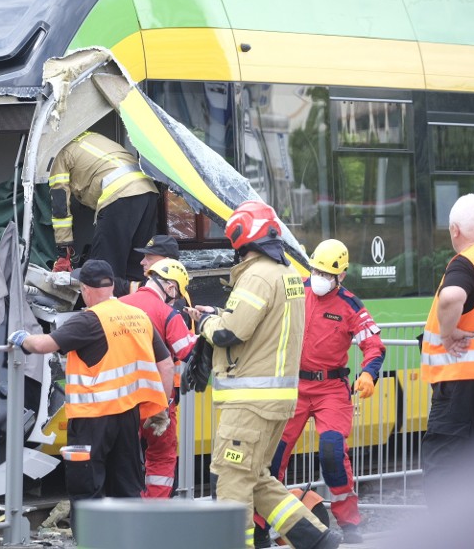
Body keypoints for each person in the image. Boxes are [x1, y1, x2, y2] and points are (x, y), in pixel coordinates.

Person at [183, 200, 341, 549]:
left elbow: (229, 333)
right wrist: (221, 315)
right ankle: (317, 539)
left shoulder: (256, 275)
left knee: (232, 480)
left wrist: (206, 321)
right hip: (276, 400)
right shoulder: (287, 275)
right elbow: (260, 326)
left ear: (243, 238)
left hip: (249, 402)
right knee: (256, 478)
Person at [7, 259, 172, 531]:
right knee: (127, 487)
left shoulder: (89, 320)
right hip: (127, 417)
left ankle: (90, 541)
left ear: (86, 289)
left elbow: (44, 344)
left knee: (87, 488)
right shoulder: (137, 316)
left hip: (91, 420)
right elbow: (165, 365)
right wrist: (160, 409)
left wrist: (21, 337)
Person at [267, 239, 385, 545]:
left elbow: (373, 346)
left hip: (331, 389)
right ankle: (263, 522)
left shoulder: (350, 305)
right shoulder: (295, 291)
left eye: (326, 273)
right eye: (316, 270)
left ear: (341, 276)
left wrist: (369, 374)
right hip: (293, 387)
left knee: (332, 452)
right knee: (272, 457)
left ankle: (350, 523)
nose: (319, 277)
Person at [420, 193, 474, 503]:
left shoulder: (468, 261)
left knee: (446, 469)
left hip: (462, 381)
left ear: (455, 230)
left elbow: (451, 297)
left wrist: (449, 333)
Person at [120, 258, 196, 498]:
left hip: (120, 400)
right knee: (161, 456)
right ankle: (155, 511)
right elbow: (188, 351)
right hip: (157, 401)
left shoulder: (119, 305)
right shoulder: (166, 313)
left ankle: (123, 515)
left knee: (123, 459)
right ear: (171, 287)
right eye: (176, 294)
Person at [49, 131, 158, 282]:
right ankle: (137, 302)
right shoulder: (93, 137)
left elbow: (60, 208)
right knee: (138, 265)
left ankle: (107, 305)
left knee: (104, 270)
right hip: (149, 193)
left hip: (120, 196)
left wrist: (63, 251)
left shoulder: (61, 155)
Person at [113, 234, 181, 297]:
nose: (142, 262)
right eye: (144, 257)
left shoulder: (177, 299)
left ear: (167, 262)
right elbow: (123, 286)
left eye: (149, 258)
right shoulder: (180, 292)